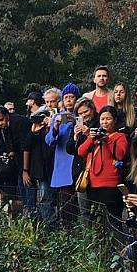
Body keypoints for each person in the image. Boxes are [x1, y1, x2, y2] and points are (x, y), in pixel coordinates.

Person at [76, 105, 129, 216]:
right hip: (93, 183)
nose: (105, 122)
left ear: (114, 120)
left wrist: (106, 140)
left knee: (112, 218)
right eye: (102, 119)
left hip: (111, 184)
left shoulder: (120, 137)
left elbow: (120, 155)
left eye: (108, 119)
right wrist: (91, 137)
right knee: (97, 220)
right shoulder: (94, 137)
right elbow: (81, 152)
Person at [46, 83, 80, 222]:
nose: (69, 100)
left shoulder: (82, 114)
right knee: (65, 204)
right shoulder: (58, 117)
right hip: (63, 165)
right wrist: (55, 126)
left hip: (78, 163)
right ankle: (66, 231)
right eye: (66, 97)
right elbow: (49, 140)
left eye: (72, 97)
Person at [66, 96, 98, 220]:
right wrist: (75, 136)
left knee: (98, 209)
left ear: (93, 110)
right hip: (80, 171)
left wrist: (88, 133)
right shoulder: (76, 123)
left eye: (86, 112)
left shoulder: (100, 120)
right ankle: (86, 236)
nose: (84, 115)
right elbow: (69, 149)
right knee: (84, 210)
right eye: (80, 113)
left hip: (95, 169)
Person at [22, 108, 55, 224]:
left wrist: (51, 126)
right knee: (44, 198)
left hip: (53, 169)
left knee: (51, 198)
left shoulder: (54, 128)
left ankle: (51, 224)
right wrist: (25, 170)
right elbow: (26, 147)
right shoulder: (35, 131)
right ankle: (47, 225)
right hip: (40, 171)